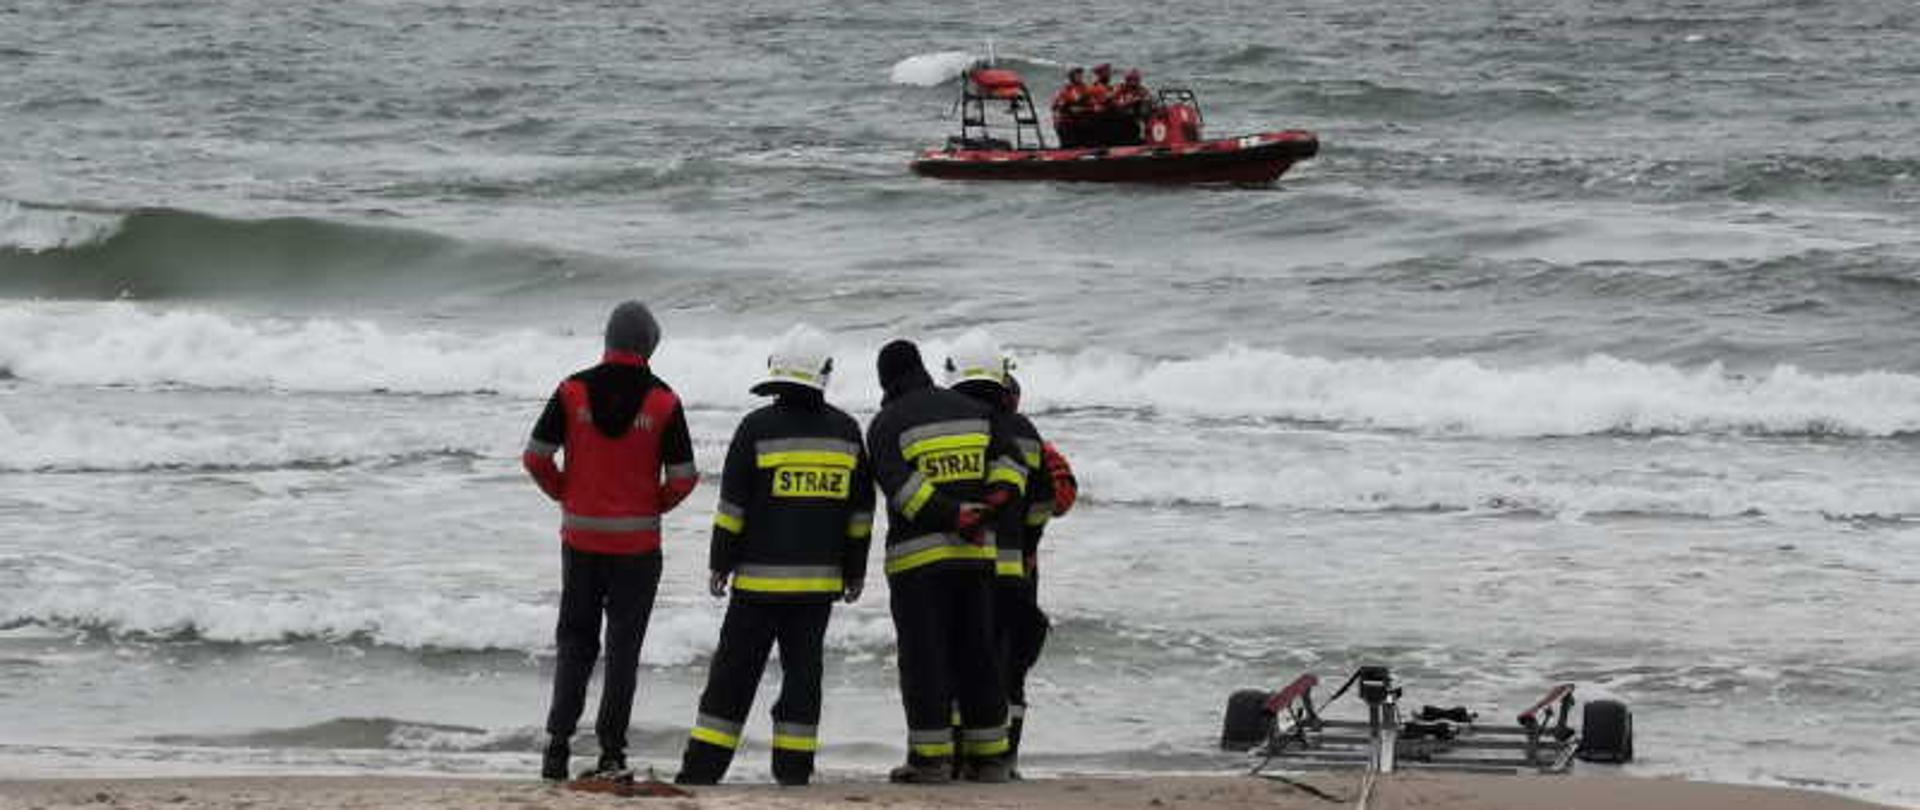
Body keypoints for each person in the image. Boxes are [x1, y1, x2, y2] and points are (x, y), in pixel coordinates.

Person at [675, 327, 874, 787]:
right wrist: (855, 570)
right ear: (825, 373)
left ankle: (702, 771)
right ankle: (793, 771)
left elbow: (732, 510)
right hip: (817, 589)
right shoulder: (846, 432)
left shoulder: (755, 428)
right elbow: (861, 514)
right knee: (803, 682)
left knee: (731, 680)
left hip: (757, 589)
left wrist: (719, 563)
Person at [524, 300, 700, 781]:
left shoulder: (572, 389)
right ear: (650, 345)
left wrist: (568, 494)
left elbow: (536, 457)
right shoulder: (664, 400)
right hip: (638, 551)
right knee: (623, 650)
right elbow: (685, 477)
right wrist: (650, 505)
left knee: (575, 643)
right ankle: (611, 753)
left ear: (608, 339)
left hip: (580, 539)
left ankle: (557, 748)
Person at [868, 339, 1028, 784]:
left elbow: (901, 489)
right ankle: (991, 759)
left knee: (925, 659)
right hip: (975, 556)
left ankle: (930, 761)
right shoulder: (973, 411)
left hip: (917, 566)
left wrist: (952, 515)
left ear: (885, 380)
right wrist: (988, 509)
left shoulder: (886, 423)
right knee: (977, 654)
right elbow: (1012, 466)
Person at [942, 335, 1054, 778]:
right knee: (1010, 672)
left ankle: (955, 757)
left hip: (966, 566)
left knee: (960, 663)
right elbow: (1047, 499)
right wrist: (1028, 545)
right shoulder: (1026, 433)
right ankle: (1003, 759)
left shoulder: (955, 424)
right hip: (1017, 573)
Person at [1107, 69, 1154, 145]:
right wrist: (1129, 102)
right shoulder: (1120, 88)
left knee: (1144, 108)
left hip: (1135, 115)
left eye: (1135, 80)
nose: (1133, 82)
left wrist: (1141, 100)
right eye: (1131, 80)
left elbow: (1149, 99)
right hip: (1120, 113)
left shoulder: (1142, 90)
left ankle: (1144, 134)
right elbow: (1111, 99)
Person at [1050, 67, 1094, 148]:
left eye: (1081, 75)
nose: (1080, 77)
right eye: (1078, 75)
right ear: (1072, 77)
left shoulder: (1084, 87)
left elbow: (1091, 102)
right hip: (1067, 120)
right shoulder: (1066, 89)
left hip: (1079, 117)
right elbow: (1056, 105)